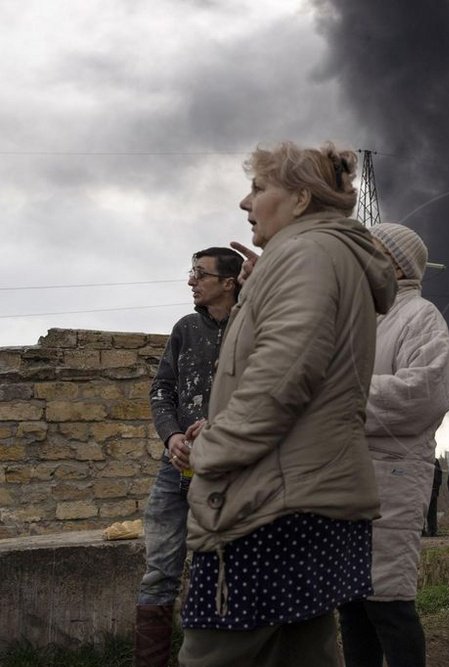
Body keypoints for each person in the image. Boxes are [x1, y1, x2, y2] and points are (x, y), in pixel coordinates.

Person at [177, 141, 397, 667]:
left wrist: (211, 450)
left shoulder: (307, 255)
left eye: (257, 189)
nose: (244, 203)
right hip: (308, 493)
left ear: (300, 199)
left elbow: (281, 381)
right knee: (302, 653)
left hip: (271, 506)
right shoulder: (317, 254)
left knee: (215, 655)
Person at [337, 222, 449, 667]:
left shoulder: (421, 316)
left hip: (393, 476)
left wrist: (340, 398)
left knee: (388, 602)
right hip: (346, 476)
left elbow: (423, 394)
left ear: (394, 263)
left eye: (367, 251)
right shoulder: (358, 317)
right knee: (351, 603)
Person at [134, 247, 243, 667]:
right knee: (159, 573)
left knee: (213, 571)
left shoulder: (252, 329)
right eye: (191, 272)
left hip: (225, 475)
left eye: (200, 273)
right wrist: (171, 436)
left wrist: (216, 427)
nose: (191, 280)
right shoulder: (184, 328)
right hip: (173, 472)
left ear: (229, 283)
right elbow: (162, 389)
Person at [424, 458, 443, 537]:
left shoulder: (419, 458)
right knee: (432, 511)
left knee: (421, 510)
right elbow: (439, 476)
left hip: (422, 489)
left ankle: (421, 530)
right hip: (433, 489)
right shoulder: (435, 460)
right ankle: (432, 530)